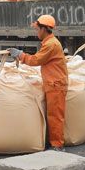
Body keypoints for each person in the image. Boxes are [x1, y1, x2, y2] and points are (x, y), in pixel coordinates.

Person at [8, 15, 68, 151]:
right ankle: (53, 142)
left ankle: (57, 145)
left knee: (55, 116)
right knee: (52, 115)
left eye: (37, 29)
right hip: (54, 83)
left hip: (56, 84)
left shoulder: (51, 44)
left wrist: (20, 55)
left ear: (44, 29)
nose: (36, 32)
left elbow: (36, 60)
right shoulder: (49, 42)